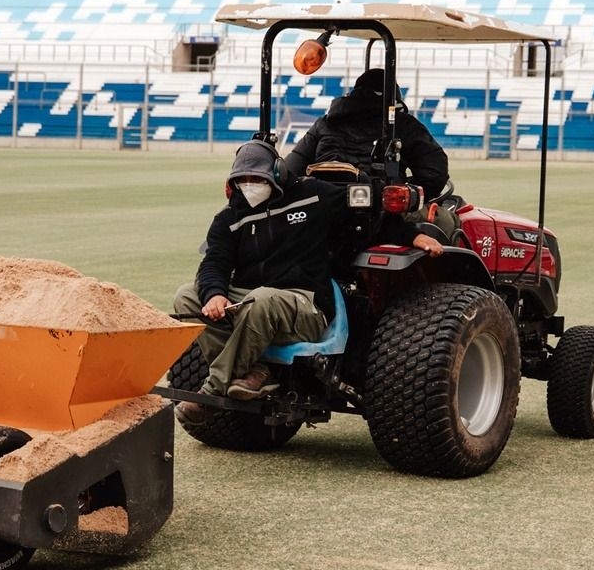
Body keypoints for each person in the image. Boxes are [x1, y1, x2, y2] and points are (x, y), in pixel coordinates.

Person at [172, 139, 441, 426]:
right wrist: (214, 294)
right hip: (254, 300)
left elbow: (372, 209)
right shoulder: (228, 219)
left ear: (276, 174)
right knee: (187, 296)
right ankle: (257, 372)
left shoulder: (312, 195)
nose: (250, 185)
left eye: (256, 178)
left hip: (307, 304)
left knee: (262, 300)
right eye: (243, 180)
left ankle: (213, 390)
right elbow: (214, 263)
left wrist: (412, 235)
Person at [283, 67, 449, 200]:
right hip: (382, 215)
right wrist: (401, 190)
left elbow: (290, 171)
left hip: (322, 210)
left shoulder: (324, 123)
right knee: (447, 221)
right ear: (394, 98)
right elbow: (435, 175)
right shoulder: (403, 124)